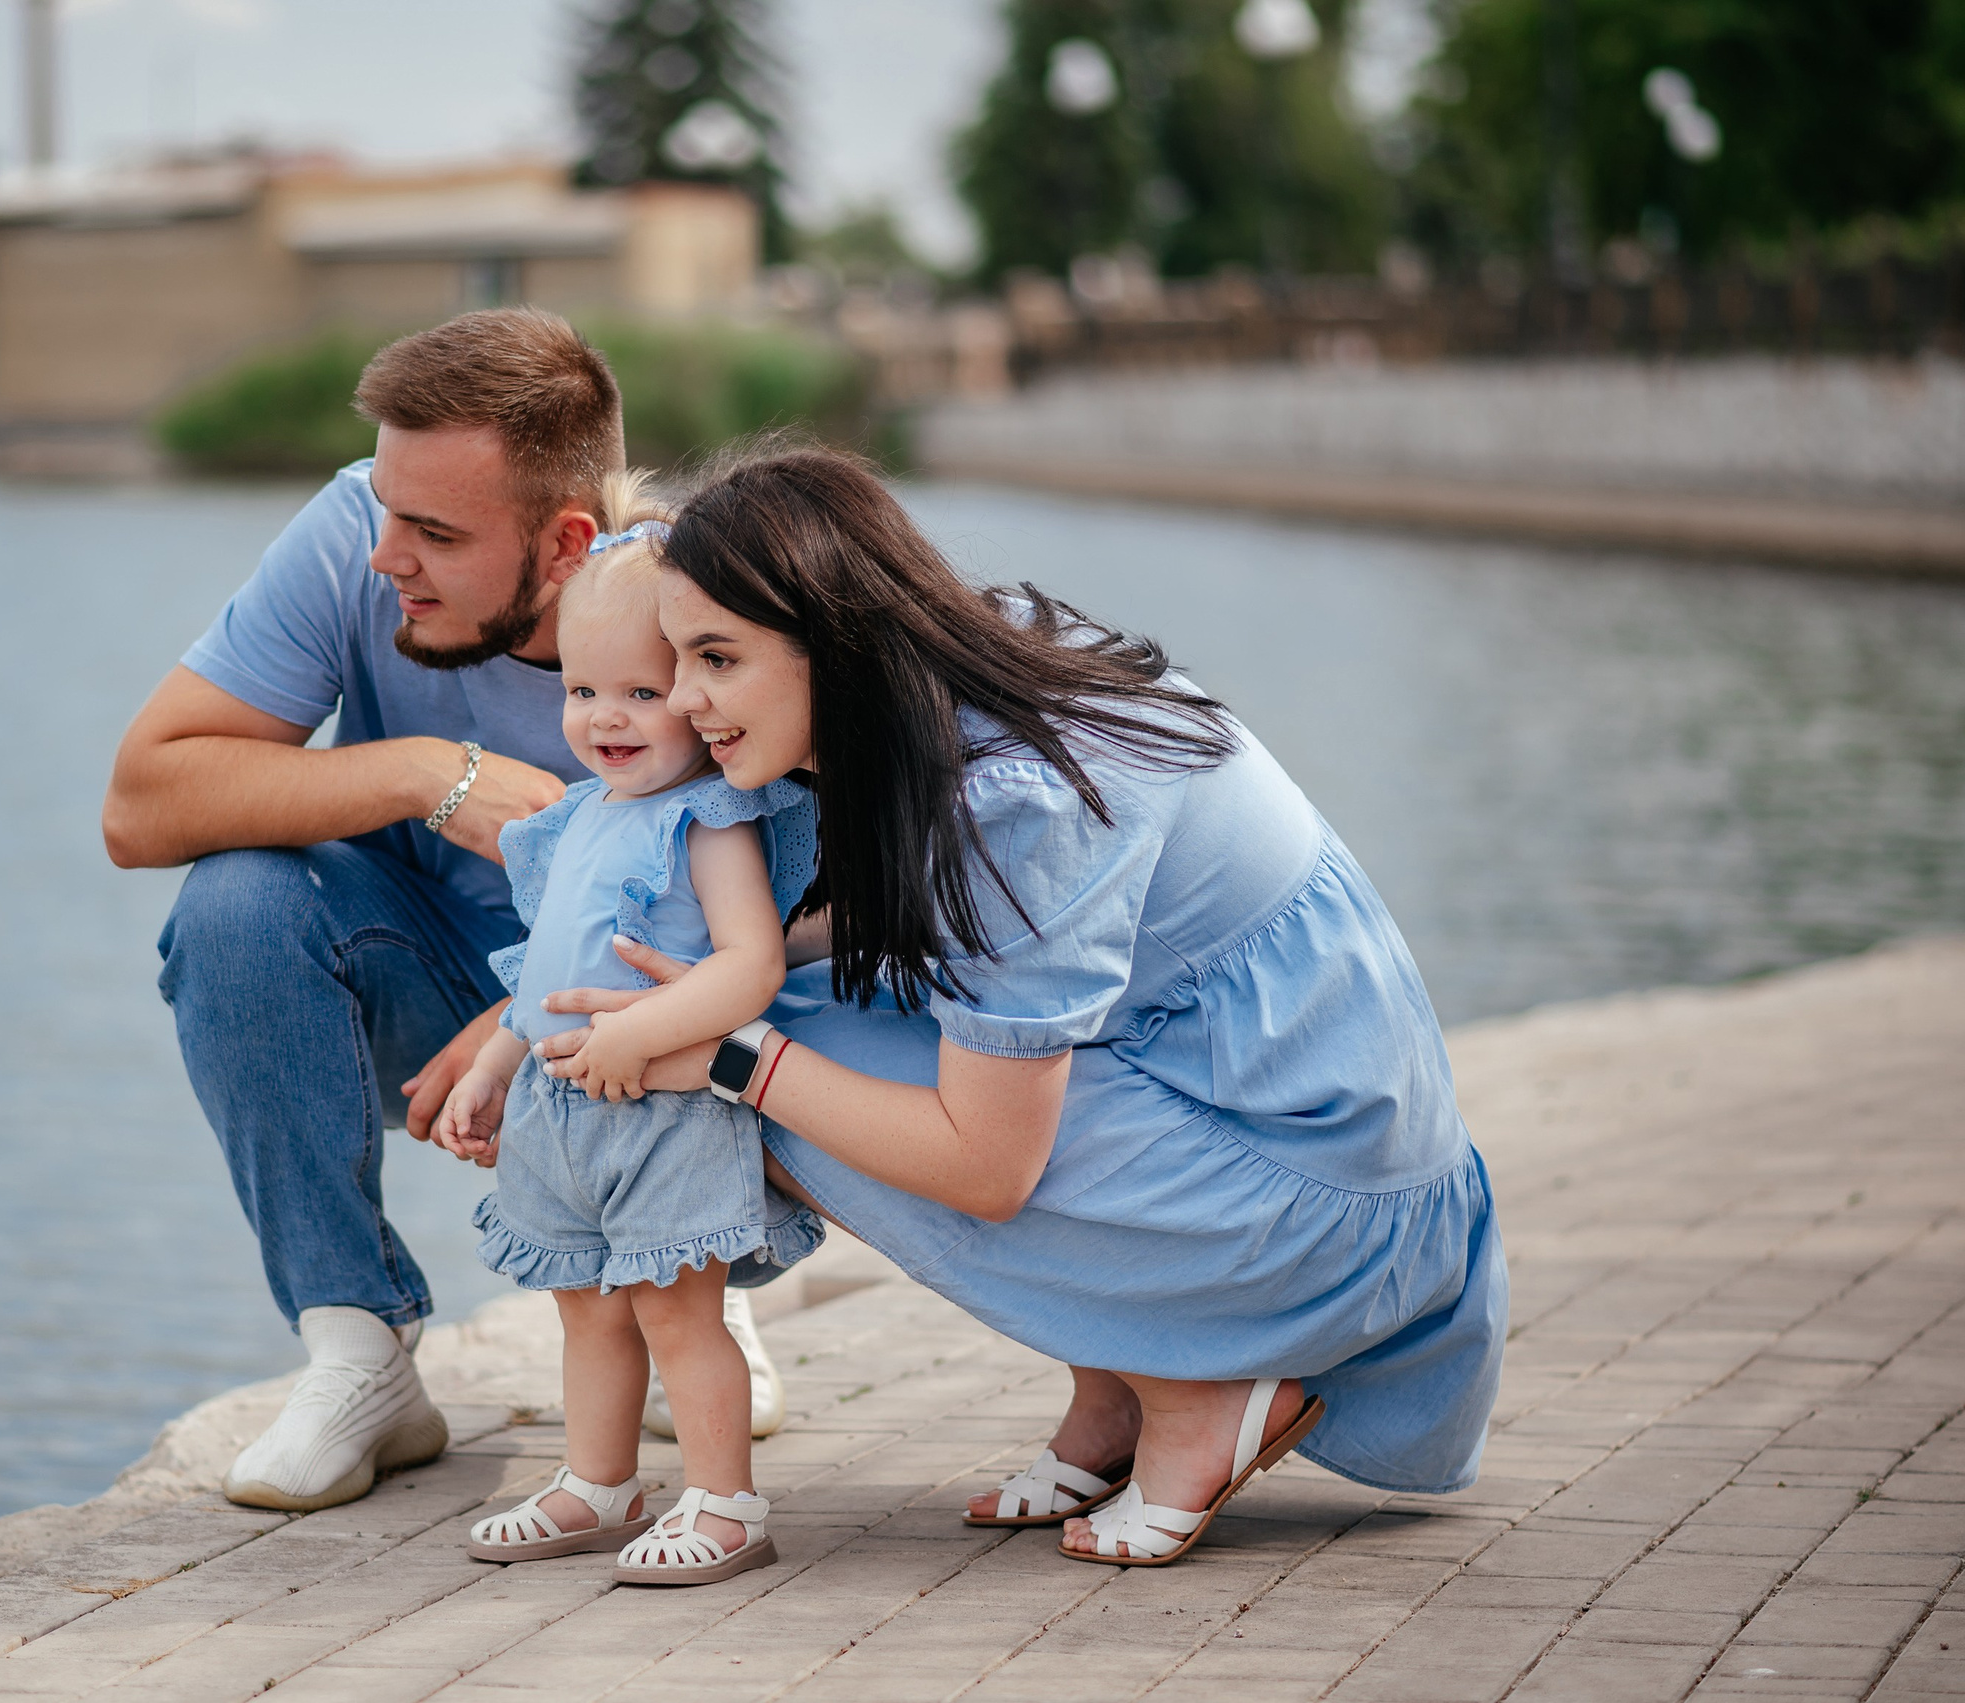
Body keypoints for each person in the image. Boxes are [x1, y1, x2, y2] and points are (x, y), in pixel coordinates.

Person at [533, 445, 1508, 1567]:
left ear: (834, 644)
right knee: (782, 1012)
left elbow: (986, 1164)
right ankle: (1116, 1393)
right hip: (1299, 1127)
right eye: (674, 657)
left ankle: (1195, 1393)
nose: (686, 698)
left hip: (1319, 1206)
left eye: (715, 657)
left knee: (771, 1056)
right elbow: (870, 938)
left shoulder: (1015, 802)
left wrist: (723, 1054)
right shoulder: (968, 657)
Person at [101, 309, 782, 1514]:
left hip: (640, 1018)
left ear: (567, 541)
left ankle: (690, 1265)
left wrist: (535, 1011)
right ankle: (359, 1346)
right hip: (424, 973)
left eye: (433, 531)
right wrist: (429, 772)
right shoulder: (354, 535)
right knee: (236, 900)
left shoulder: (702, 598)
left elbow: (813, 912)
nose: (385, 555)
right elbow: (140, 803)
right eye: (386, 509)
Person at [432, 494, 821, 1584]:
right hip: (561, 1113)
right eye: (581, 688)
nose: (607, 716)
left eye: (643, 692)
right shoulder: (575, 814)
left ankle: (726, 1501)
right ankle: (596, 1480)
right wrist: (496, 1063)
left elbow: (749, 961)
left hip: (664, 1106)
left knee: (677, 1314)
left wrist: (645, 1028)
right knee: (586, 1309)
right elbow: (544, 971)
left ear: (700, 694)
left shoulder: (707, 818)